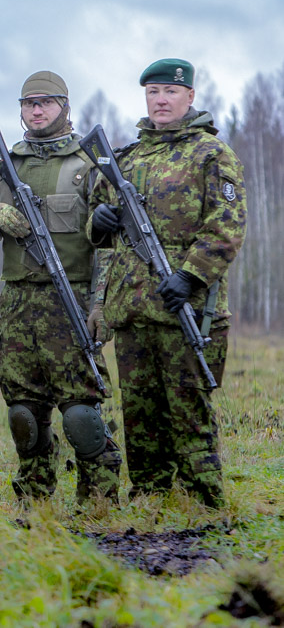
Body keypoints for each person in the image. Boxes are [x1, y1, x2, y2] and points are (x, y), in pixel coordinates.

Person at [87, 58, 245, 507]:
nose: (161, 100)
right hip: (132, 308)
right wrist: (98, 222)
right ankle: (151, 497)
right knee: (139, 412)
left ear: (190, 97)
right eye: (154, 92)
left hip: (186, 307)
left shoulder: (211, 154)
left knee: (189, 407)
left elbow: (227, 225)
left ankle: (204, 502)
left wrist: (190, 274)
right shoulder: (127, 158)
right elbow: (97, 226)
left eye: (170, 92)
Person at [0, 70, 121, 503]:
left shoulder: (89, 165)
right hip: (17, 303)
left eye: (46, 102)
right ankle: (34, 498)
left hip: (69, 300)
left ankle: (100, 499)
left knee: (81, 415)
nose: (36, 110)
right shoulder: (3, 166)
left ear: (64, 107)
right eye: (28, 103)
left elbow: (109, 246)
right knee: (23, 413)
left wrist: (100, 305)